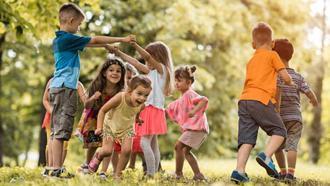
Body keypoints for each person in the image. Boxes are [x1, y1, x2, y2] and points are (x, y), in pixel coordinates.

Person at [49, 2, 134, 177]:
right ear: (71, 21)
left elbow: (92, 44)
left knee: (57, 130)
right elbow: (94, 40)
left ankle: (53, 168)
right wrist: (122, 39)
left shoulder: (60, 40)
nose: (79, 28)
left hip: (59, 88)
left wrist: (105, 47)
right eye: (79, 24)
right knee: (61, 132)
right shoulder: (67, 38)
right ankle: (55, 169)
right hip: (65, 89)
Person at [230, 22, 295, 183]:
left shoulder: (251, 60)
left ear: (253, 44)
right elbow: (286, 77)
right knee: (280, 131)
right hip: (261, 99)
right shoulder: (273, 55)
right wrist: (290, 82)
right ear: (272, 44)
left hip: (244, 101)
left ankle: (239, 171)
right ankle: (266, 156)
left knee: (246, 139)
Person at [107, 40, 174, 176]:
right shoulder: (151, 72)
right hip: (148, 110)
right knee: (153, 144)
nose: (145, 60)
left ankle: (150, 174)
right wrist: (118, 53)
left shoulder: (162, 70)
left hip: (153, 110)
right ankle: (154, 173)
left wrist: (135, 45)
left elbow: (147, 58)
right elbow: (135, 63)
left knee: (144, 143)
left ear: (158, 56)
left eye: (148, 56)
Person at [88, 75, 152, 179]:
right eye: (139, 94)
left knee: (127, 150)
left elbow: (136, 111)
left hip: (127, 128)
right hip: (110, 126)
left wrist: (137, 119)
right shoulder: (120, 97)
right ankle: (98, 155)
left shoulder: (142, 105)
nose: (142, 98)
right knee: (107, 151)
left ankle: (118, 174)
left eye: (146, 95)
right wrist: (99, 127)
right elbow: (102, 110)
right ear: (130, 91)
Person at [272, 39, 318, 181]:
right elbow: (309, 91)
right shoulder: (298, 77)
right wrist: (314, 101)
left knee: (278, 147)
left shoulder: (276, 75)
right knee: (292, 146)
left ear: (276, 57)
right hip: (295, 119)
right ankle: (290, 174)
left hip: (279, 118)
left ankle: (283, 172)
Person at [76, 57, 126, 179]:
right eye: (111, 70)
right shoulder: (97, 85)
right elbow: (87, 105)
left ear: (122, 74)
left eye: (118, 71)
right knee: (93, 144)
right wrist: (93, 97)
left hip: (110, 120)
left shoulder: (121, 90)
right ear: (104, 72)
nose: (115, 73)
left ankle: (103, 171)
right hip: (93, 119)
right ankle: (87, 165)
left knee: (108, 146)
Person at [166, 65, 209, 180]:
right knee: (185, 151)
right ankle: (198, 175)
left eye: (179, 80)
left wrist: (194, 111)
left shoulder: (190, 94)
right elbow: (170, 109)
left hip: (197, 128)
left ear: (189, 82)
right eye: (175, 80)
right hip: (196, 129)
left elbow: (204, 100)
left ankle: (178, 174)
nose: (176, 83)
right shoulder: (182, 98)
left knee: (178, 147)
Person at [42, 78, 86, 176]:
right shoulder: (52, 81)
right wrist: (53, 112)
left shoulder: (76, 83)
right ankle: (49, 167)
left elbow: (86, 100)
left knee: (64, 143)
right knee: (52, 140)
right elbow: (45, 100)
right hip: (51, 118)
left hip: (66, 118)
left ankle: (59, 168)